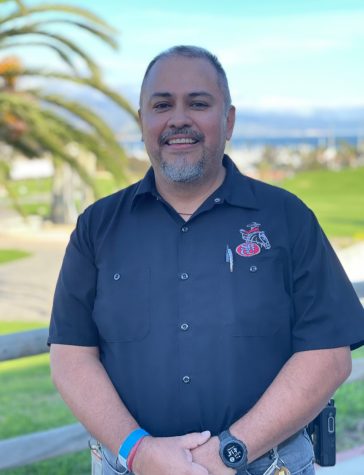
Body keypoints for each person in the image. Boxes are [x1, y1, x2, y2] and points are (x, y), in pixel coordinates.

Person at [48, 45, 364, 475]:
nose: (178, 118)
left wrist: (228, 453)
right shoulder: (97, 227)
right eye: (162, 105)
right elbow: (70, 357)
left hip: (267, 466)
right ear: (143, 121)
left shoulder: (287, 218)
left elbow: (329, 355)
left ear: (228, 120)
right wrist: (140, 452)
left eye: (198, 103)